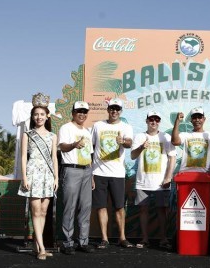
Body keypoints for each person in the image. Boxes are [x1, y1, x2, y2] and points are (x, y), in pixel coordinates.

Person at [18, 93, 58, 260]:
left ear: (47, 115)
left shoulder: (52, 136)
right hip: (33, 174)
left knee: (43, 212)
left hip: (48, 175)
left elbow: (54, 157)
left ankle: (37, 244)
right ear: (32, 117)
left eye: (42, 114)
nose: (39, 117)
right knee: (35, 212)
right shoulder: (28, 134)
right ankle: (41, 247)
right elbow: (23, 157)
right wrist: (25, 178)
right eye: (36, 114)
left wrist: (56, 177)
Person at [91, 98, 134, 249]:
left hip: (117, 174)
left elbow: (129, 143)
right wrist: (91, 173)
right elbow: (91, 148)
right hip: (98, 172)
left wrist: (122, 142)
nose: (114, 111)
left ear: (121, 111)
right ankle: (104, 238)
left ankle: (122, 237)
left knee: (119, 207)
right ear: (108, 110)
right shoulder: (97, 125)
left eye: (117, 109)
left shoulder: (126, 127)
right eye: (112, 108)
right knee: (101, 206)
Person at [131, 111, 176, 249]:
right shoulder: (139, 136)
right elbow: (133, 155)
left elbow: (172, 158)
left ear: (159, 122)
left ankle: (163, 239)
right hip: (142, 181)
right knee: (143, 210)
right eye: (151, 119)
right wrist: (140, 147)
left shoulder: (166, 137)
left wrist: (168, 177)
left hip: (160, 182)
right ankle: (145, 239)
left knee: (162, 211)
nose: (154, 122)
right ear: (147, 121)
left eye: (157, 119)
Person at [58, 101, 95, 255]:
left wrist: (91, 175)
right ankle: (67, 242)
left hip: (86, 170)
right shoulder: (66, 128)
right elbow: (62, 147)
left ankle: (83, 241)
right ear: (73, 113)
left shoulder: (87, 131)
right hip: (71, 170)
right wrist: (74, 144)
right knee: (70, 207)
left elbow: (90, 155)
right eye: (79, 111)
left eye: (84, 111)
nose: (82, 114)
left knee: (85, 208)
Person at [171, 107, 210, 174]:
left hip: (204, 175)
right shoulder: (186, 135)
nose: (197, 120)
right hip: (185, 174)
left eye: (199, 117)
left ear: (204, 119)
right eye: (194, 117)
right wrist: (177, 121)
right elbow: (175, 142)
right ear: (191, 120)